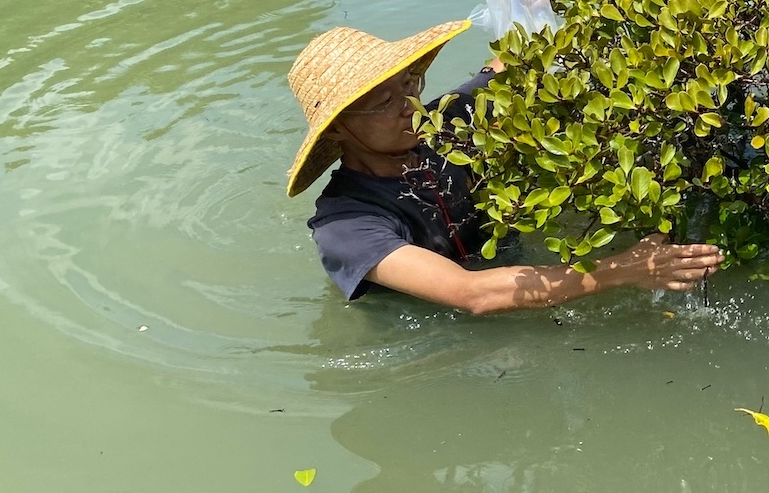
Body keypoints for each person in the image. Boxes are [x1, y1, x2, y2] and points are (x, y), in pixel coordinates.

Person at [286, 20, 721, 313]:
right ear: (337, 131)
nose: (411, 106)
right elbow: (470, 292)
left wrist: (537, 10)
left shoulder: (445, 125)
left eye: (409, 85)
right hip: (436, 340)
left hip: (513, 261)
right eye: (385, 102)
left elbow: (506, 67)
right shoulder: (346, 225)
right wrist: (625, 268)